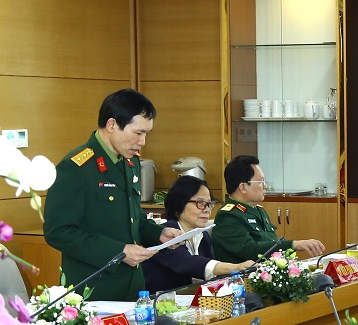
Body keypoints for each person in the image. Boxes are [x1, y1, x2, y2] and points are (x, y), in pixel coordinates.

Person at [44, 89, 181, 301]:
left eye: (146, 134)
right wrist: (119, 251)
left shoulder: (130, 162)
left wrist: (159, 234)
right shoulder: (75, 167)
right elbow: (58, 231)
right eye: (138, 133)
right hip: (94, 289)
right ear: (111, 125)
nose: (143, 141)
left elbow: (132, 218)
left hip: (132, 286)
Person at [142, 175, 254, 293]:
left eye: (209, 203)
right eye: (200, 203)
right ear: (179, 204)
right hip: (160, 301)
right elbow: (186, 262)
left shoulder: (203, 236)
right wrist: (235, 267)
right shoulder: (164, 234)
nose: (207, 209)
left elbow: (209, 277)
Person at [211, 155, 325, 262]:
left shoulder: (258, 210)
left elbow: (272, 244)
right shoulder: (228, 216)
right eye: (261, 182)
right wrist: (293, 244)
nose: (265, 186)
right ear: (243, 187)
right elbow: (251, 250)